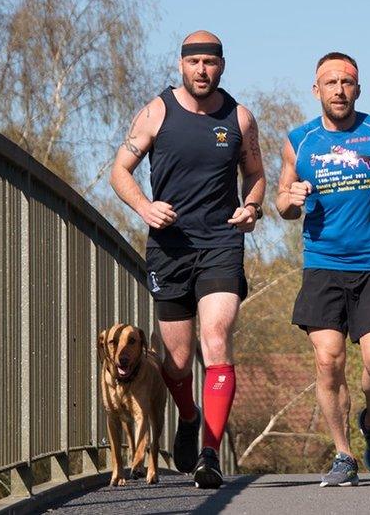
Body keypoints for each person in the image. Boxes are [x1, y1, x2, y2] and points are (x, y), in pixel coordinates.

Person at [109, 30, 265, 489]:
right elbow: (120, 170)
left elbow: (254, 174)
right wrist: (144, 207)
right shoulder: (157, 112)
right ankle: (189, 415)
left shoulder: (240, 117)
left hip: (221, 243)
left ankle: (210, 453)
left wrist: (252, 207)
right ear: (181, 65)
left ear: (222, 66)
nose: (202, 70)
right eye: (194, 62)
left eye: (210, 62)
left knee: (216, 338)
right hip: (169, 246)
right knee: (176, 363)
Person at [275, 52, 370, 487]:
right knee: (328, 360)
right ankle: (343, 454)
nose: (339, 90)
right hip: (323, 264)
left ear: (358, 89)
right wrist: (291, 199)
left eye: (347, 82)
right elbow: (282, 202)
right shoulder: (299, 141)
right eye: (330, 82)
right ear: (316, 89)